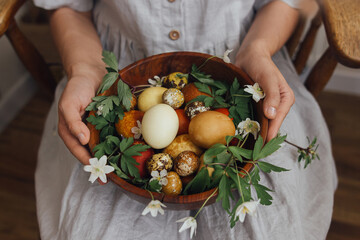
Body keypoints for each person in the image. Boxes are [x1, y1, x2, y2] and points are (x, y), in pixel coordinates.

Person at [33, 0, 337, 239]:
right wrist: (85, 68)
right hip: (119, 79)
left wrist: (258, 49)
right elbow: (69, 5)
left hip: (241, 67)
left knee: (271, 228)